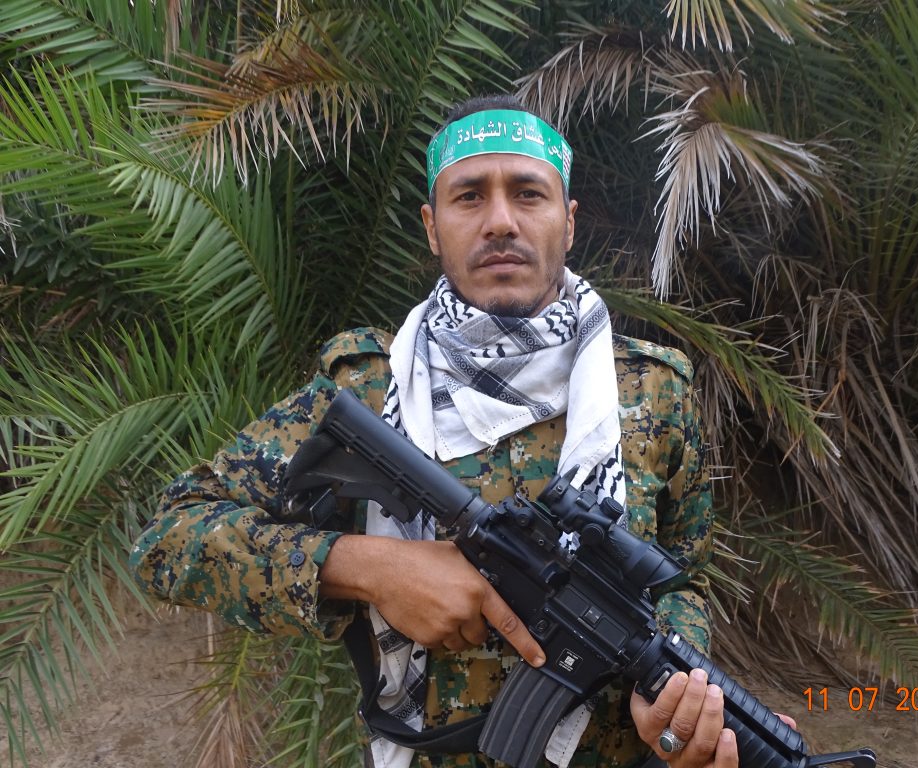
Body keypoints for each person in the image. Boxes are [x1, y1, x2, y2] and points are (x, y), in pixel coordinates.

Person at [130, 94, 738, 768]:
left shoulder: (654, 391)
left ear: (567, 223)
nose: (500, 221)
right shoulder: (368, 387)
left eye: (528, 194)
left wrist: (676, 693)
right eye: (469, 196)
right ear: (431, 227)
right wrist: (371, 569)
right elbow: (170, 537)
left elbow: (684, 581)